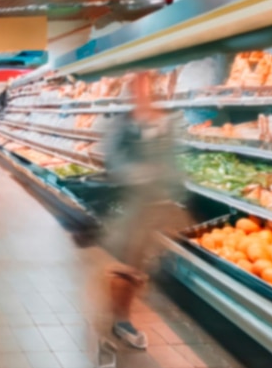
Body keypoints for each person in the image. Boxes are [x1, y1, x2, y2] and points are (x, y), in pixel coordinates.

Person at [98, 73, 189, 351]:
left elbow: (174, 160)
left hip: (161, 206)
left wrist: (175, 191)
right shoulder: (122, 126)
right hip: (132, 207)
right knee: (130, 263)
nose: (143, 94)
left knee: (140, 266)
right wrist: (140, 174)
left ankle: (123, 309)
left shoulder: (168, 123)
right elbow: (113, 160)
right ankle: (121, 318)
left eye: (147, 89)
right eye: (138, 89)